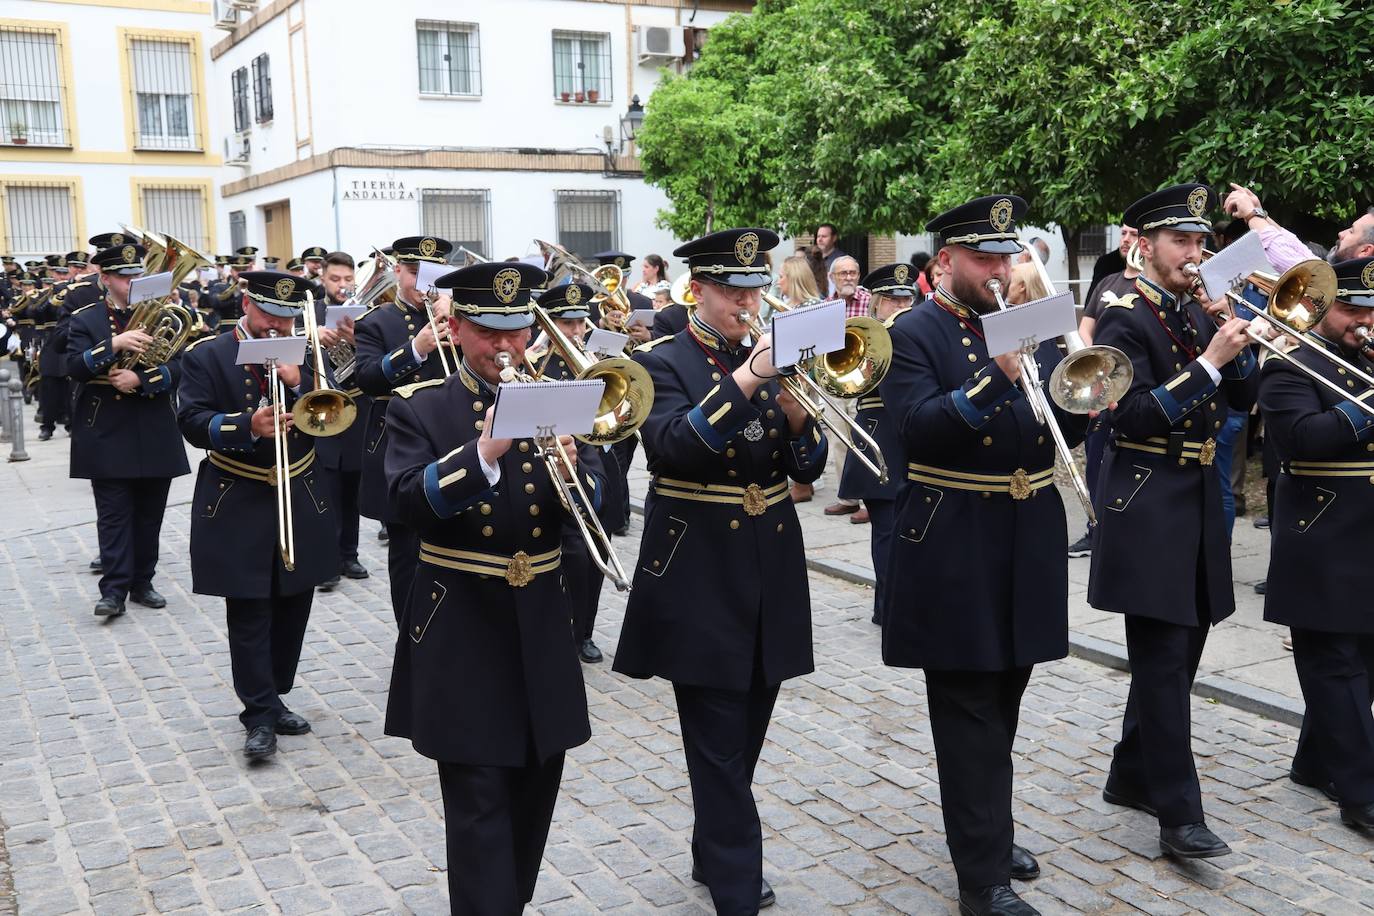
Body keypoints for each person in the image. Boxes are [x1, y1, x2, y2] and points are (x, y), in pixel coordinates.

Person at [881, 196, 1086, 916]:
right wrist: (996, 374)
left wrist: (1077, 394)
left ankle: (986, 835)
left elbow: (1052, 422)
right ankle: (982, 880)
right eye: (984, 258)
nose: (1000, 269)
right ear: (946, 261)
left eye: (1006, 256)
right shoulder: (915, 331)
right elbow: (917, 433)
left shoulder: (1023, 321)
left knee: (1006, 696)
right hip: (954, 538)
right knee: (968, 708)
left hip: (1026, 530)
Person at [615, 228, 826, 913]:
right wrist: (750, 378)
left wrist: (799, 419)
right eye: (731, 290)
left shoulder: (771, 356)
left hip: (769, 558)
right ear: (696, 290)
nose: (744, 301)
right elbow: (675, 448)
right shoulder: (660, 360)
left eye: (752, 288)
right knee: (715, 732)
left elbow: (808, 470)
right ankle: (736, 882)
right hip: (698, 564)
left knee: (748, 723)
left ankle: (715, 846)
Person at [384, 260, 597, 913]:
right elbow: (401, 500)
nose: (505, 347)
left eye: (515, 332)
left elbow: (601, 505)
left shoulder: (555, 395)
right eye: (487, 332)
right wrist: (483, 454)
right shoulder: (421, 406)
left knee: (537, 786)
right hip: (463, 628)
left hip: (540, 621)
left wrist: (578, 470)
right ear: (455, 325)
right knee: (478, 806)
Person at [1089, 184, 1257, 860]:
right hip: (1147, 499)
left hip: (1193, 496)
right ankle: (1178, 817)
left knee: (1182, 652)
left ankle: (1130, 773)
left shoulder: (1192, 309)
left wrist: (1236, 343)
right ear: (1145, 243)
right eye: (1181, 242)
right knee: (1163, 660)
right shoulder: (1121, 313)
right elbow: (1123, 417)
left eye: (1199, 242)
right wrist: (1209, 363)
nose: (1195, 253)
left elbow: (1243, 397)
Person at [177, 270, 338, 759]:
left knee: (295, 602)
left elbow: (335, 413)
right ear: (246, 303)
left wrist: (299, 380)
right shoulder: (207, 354)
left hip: (300, 488)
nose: (278, 326)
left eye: (288, 318)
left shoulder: (308, 351)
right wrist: (245, 424)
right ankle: (259, 714)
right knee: (250, 608)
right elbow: (191, 421)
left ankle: (274, 691)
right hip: (237, 494)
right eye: (269, 314)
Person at [1257, 255, 1374, 831]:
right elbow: (1302, 440)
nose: (1365, 322)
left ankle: (1314, 760)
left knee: (1364, 659)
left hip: (1368, 533)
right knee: (1336, 663)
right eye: (1354, 309)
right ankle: (1363, 795)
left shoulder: (1364, 360)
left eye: (1372, 311)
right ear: (1325, 307)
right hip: (1321, 535)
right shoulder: (1288, 365)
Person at [65, 242, 191, 618]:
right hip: (105, 426)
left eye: (137, 274)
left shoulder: (163, 314)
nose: (132, 281)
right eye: (123, 276)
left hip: (153, 422)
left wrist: (141, 377)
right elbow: (73, 366)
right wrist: (113, 345)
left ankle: (142, 582)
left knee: (150, 513)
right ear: (105, 279)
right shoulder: (85, 318)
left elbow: (182, 367)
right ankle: (114, 590)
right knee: (114, 514)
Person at [354, 235, 456, 626]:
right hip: (400, 451)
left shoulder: (459, 318)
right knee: (408, 559)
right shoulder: (376, 322)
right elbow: (365, 379)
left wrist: (456, 323)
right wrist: (416, 348)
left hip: (454, 442)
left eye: (435, 276)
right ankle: (411, 639)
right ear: (397, 270)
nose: (423, 284)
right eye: (415, 273)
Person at [537, 280, 625, 664]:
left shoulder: (598, 361)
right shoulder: (539, 366)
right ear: (550, 323)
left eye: (580, 322)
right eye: (567, 323)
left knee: (598, 546)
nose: (576, 330)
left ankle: (585, 630)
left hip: (597, 460)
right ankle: (561, 628)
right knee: (569, 551)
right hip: (558, 462)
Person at [842, 263, 914, 624]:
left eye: (907, 298)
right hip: (878, 440)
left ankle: (892, 604)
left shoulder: (917, 334)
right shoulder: (864, 338)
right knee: (886, 530)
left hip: (910, 440)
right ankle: (890, 608)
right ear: (876, 303)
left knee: (908, 530)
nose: (901, 306)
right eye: (892, 300)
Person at [312, 251, 370, 589]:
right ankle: (327, 560)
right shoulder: (312, 313)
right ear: (323, 278)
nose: (342, 285)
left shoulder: (366, 314)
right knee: (328, 489)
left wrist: (357, 340)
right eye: (335, 279)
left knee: (353, 487)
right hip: (324, 408)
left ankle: (350, 553)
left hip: (357, 406)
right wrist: (313, 337)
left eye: (348, 279)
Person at [816, 255, 869, 512]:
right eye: (842, 273)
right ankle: (847, 497)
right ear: (832, 277)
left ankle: (870, 499)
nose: (848, 277)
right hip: (837, 380)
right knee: (839, 439)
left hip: (863, 380)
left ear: (859, 275)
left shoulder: (870, 301)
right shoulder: (824, 306)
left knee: (865, 436)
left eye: (852, 272)